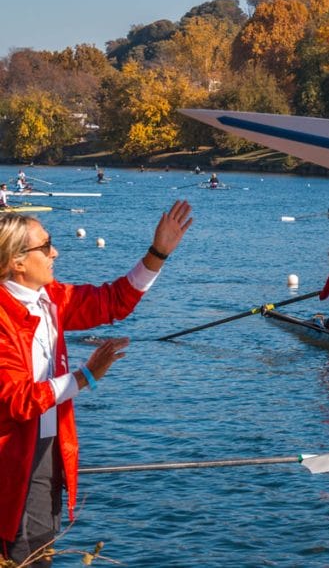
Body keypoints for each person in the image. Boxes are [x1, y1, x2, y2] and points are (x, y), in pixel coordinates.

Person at [0, 200, 193, 566]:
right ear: (17, 261)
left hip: (48, 452)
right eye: (45, 246)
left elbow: (114, 301)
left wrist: (159, 253)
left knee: (41, 552)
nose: (55, 251)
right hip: (9, 465)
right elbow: (18, 400)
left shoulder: (51, 300)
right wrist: (84, 376)